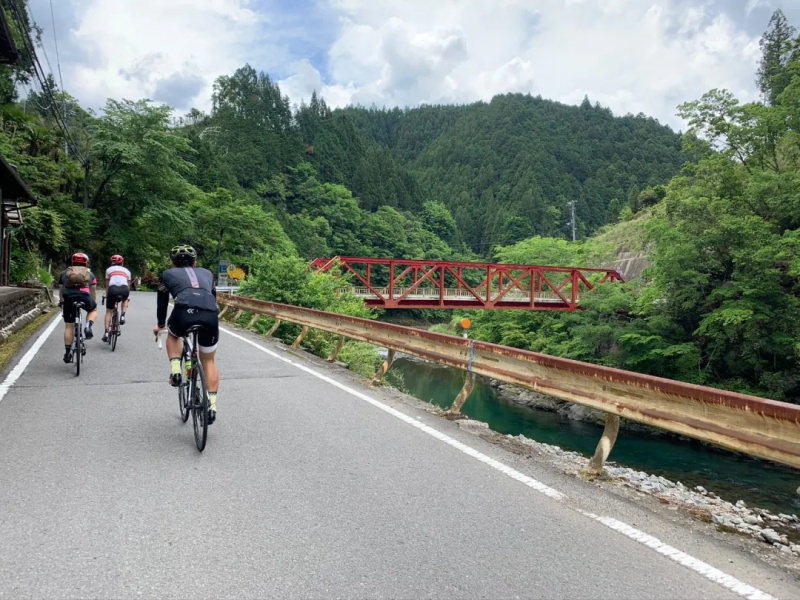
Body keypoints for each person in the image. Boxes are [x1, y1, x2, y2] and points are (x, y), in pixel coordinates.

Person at [153, 245, 220, 424]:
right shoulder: (207, 273)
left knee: (174, 335)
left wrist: (160, 325)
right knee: (209, 361)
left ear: (173, 263)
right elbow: (214, 297)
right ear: (195, 262)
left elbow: (162, 303)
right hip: (210, 312)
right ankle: (212, 407)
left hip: (183, 311)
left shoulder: (167, 274)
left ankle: (176, 372)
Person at [58, 252, 98, 363]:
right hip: (84, 297)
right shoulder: (90, 274)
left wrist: (62, 302)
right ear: (86, 262)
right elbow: (93, 290)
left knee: (69, 326)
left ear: (72, 261)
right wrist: (92, 302)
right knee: (93, 310)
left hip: (69, 298)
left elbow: (61, 290)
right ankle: (88, 326)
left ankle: (67, 353)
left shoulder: (64, 273)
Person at [102, 254, 132, 342]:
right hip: (124, 289)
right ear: (122, 262)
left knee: (109, 311)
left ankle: (106, 332)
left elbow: (107, 285)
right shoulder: (127, 271)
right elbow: (128, 286)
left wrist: (107, 295)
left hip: (113, 289)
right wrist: (127, 295)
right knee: (125, 299)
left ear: (111, 262)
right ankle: (122, 315)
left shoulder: (108, 270)